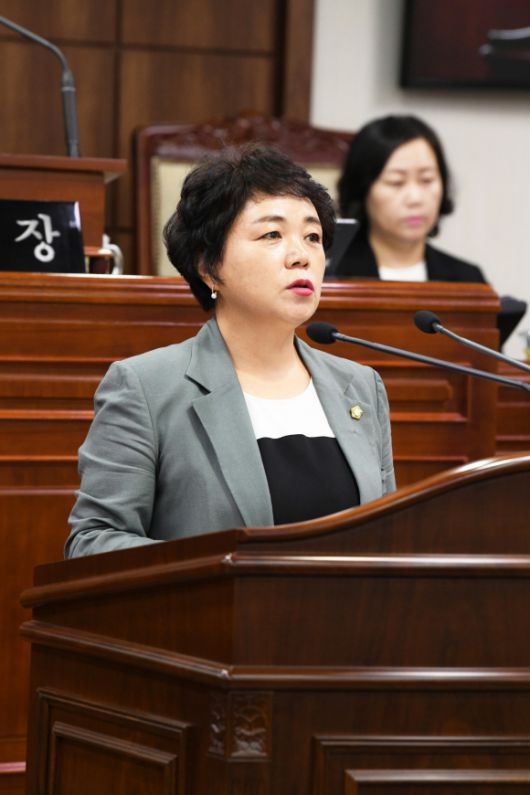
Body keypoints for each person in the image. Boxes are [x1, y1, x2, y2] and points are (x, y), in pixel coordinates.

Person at [65, 145, 395, 558]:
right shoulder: (146, 388)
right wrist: (219, 575)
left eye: (313, 237)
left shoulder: (360, 387)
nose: (301, 257)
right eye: (272, 235)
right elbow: (93, 541)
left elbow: (388, 540)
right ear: (209, 267)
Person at [334, 114, 486, 283]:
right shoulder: (329, 275)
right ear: (362, 189)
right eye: (396, 182)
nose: (415, 198)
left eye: (426, 180)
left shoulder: (468, 280)